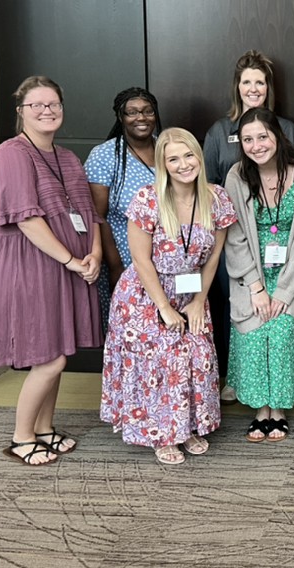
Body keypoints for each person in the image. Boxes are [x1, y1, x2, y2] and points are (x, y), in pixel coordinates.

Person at [0, 76, 102, 466]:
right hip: (28, 265)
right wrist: (70, 259)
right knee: (48, 356)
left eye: (53, 104)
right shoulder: (11, 154)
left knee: (57, 349)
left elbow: (89, 214)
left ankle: (45, 430)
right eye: (37, 105)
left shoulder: (67, 157)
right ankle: (21, 437)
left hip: (68, 265)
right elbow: (27, 220)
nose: (47, 111)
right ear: (21, 112)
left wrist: (94, 253)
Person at [100, 128, 235, 465]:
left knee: (196, 356)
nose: (183, 164)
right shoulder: (147, 199)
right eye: (173, 158)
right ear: (163, 164)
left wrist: (198, 301)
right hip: (146, 294)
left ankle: (186, 426)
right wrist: (163, 306)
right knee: (161, 362)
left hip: (190, 291)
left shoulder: (216, 198)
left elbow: (213, 256)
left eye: (188, 155)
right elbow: (140, 260)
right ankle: (160, 432)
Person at [202, 50, 294, 403]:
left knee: (278, 315)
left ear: (268, 87)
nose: (254, 88)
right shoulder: (219, 131)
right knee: (237, 307)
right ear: (237, 87)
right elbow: (209, 187)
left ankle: (276, 387)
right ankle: (236, 377)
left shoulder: (287, 129)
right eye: (247, 82)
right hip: (232, 239)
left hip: (280, 241)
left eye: (260, 81)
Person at [225, 108, 294, 443]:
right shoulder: (236, 176)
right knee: (253, 333)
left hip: (291, 277)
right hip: (249, 276)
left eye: (262, 136)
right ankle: (259, 410)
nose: (256, 145)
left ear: (277, 136)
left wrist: (283, 293)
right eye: (247, 139)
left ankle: (278, 410)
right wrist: (256, 287)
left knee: (279, 333)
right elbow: (234, 236)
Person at [85, 88, 162, 321]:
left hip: (168, 261)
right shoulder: (104, 156)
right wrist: (116, 266)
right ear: (121, 117)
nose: (141, 117)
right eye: (132, 112)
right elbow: (98, 217)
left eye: (148, 111)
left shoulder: (166, 149)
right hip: (125, 262)